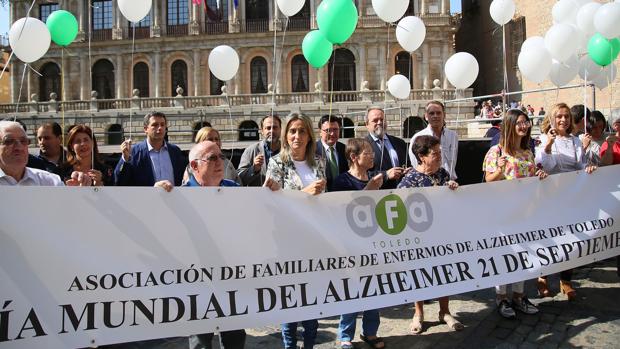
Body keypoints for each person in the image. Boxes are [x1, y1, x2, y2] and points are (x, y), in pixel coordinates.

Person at [156, 140, 244, 349]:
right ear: (194, 166)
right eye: (212, 158)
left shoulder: (235, 190)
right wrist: (156, 198)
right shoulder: (177, 196)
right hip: (196, 280)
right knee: (200, 341)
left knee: (234, 337)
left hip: (231, 276)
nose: (219, 162)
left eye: (221, 157)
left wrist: (273, 192)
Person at [263, 113, 326, 349]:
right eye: (292, 131)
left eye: (301, 131)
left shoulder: (319, 162)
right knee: (289, 299)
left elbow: (322, 201)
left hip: (314, 240)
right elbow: (273, 204)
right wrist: (304, 194)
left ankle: (309, 344)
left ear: (309, 135)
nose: (296, 136)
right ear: (285, 136)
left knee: (312, 297)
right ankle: (290, 346)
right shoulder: (276, 163)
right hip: (286, 242)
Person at [483, 109, 548, 318]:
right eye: (519, 122)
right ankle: (502, 297)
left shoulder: (528, 152)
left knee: (523, 253)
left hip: (525, 211)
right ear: (510, 125)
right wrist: (500, 170)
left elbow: (530, 179)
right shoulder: (496, 151)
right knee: (504, 255)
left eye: (526, 122)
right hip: (503, 212)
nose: (524, 126)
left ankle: (519, 296)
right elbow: (487, 182)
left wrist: (539, 174)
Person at [397, 135, 461, 334]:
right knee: (419, 274)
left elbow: (449, 202)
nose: (440, 156)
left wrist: (452, 189)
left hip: (442, 234)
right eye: (435, 153)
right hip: (420, 237)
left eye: (440, 152)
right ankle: (418, 313)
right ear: (421, 156)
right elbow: (401, 208)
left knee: (444, 272)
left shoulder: (442, 174)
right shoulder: (409, 180)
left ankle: (445, 311)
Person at [535, 103, 597, 300]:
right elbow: (547, 166)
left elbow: (580, 165)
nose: (563, 120)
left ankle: (566, 280)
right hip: (550, 196)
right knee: (548, 238)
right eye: (559, 116)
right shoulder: (543, 139)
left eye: (566, 116)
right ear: (552, 119)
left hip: (570, 197)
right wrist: (549, 146)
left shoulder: (576, 141)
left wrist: (587, 167)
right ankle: (542, 277)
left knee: (571, 239)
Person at [331, 138, 383, 349]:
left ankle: (370, 331)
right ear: (354, 157)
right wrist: (368, 190)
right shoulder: (342, 181)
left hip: (373, 243)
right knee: (351, 290)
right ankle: (345, 335)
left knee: (374, 289)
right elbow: (342, 212)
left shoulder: (375, 180)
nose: (372, 156)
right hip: (350, 245)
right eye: (367, 153)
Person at [0, 120, 90, 186]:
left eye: (23, 141)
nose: (19, 147)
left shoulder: (51, 182)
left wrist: (75, 194)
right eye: (9, 141)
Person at [114, 112, 186, 187]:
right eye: (155, 125)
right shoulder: (134, 152)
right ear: (145, 129)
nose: (160, 128)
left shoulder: (175, 151)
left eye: (162, 124)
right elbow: (119, 181)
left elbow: (183, 179)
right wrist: (125, 159)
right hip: (145, 198)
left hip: (173, 197)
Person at [410, 100, 458, 180]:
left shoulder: (453, 136)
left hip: (451, 184)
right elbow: (416, 164)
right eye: (431, 113)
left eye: (438, 113)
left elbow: (453, 161)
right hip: (428, 184)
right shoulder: (417, 137)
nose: (435, 116)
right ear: (426, 116)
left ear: (444, 115)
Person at [365, 107, 409, 189]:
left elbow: (407, 164)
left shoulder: (400, 143)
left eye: (382, 119)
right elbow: (360, 174)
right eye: (375, 120)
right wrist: (386, 175)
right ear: (367, 124)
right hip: (378, 195)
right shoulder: (362, 145)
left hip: (402, 194)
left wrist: (408, 171)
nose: (380, 122)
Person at [238, 114, 282, 186]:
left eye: (275, 127)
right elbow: (239, 178)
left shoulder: (287, 150)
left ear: (280, 129)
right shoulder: (251, 150)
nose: (271, 131)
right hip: (258, 196)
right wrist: (254, 169)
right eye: (268, 128)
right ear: (262, 131)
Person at [315, 114, 348, 191]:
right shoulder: (312, 150)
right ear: (320, 132)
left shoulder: (345, 149)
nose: (332, 133)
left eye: (335, 129)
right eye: (328, 130)